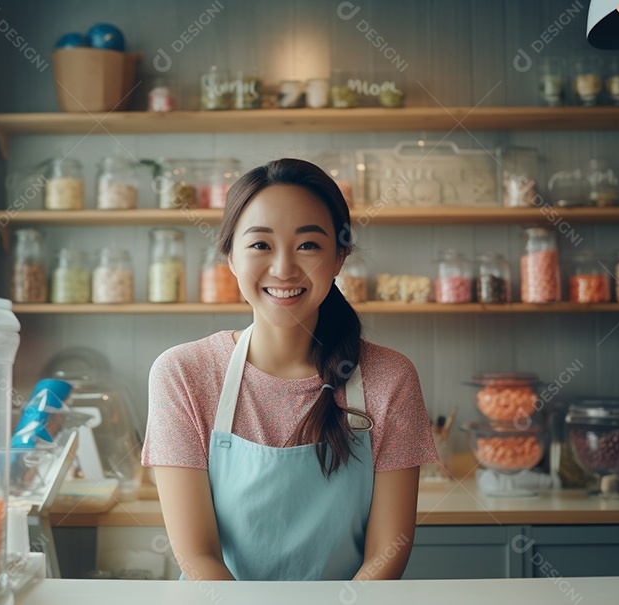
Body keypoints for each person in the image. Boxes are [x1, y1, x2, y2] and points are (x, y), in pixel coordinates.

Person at [142, 158, 438, 581]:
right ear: (230, 257)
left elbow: (386, 553)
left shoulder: (390, 377)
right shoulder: (183, 374)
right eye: (261, 245)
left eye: (308, 245)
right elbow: (198, 556)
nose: (283, 269)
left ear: (340, 258)